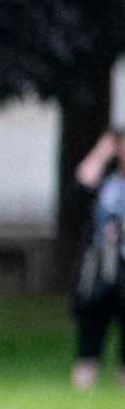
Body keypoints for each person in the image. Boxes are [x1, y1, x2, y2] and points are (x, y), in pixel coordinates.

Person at [69, 129, 125, 390]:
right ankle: (83, 387)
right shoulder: (106, 183)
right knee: (90, 329)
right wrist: (103, 150)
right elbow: (80, 186)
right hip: (100, 267)